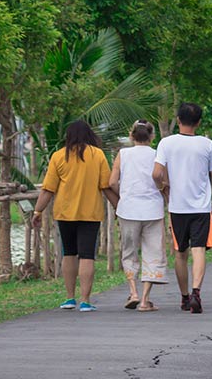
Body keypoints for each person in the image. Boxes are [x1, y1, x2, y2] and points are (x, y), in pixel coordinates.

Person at [32, 120, 118, 312]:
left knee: (69, 253)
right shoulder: (98, 156)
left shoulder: (58, 156)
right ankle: (85, 300)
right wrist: (119, 208)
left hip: (65, 213)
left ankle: (70, 298)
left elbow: (48, 189)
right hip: (91, 213)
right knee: (87, 256)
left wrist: (38, 211)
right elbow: (106, 186)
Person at [152, 102, 212, 314]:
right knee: (199, 249)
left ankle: (184, 298)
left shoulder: (166, 143)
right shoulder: (207, 145)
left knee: (180, 253)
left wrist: (163, 187)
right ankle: (196, 293)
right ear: (198, 122)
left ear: (179, 120)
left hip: (177, 207)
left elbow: (156, 173)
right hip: (201, 208)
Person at [109, 119, 167, 312]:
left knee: (129, 252)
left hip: (128, 209)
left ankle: (133, 292)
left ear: (131, 136)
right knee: (152, 252)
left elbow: (111, 183)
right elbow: (163, 179)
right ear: (152, 136)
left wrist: (124, 195)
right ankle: (144, 300)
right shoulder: (157, 154)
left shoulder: (123, 154)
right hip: (152, 210)